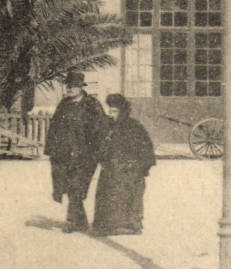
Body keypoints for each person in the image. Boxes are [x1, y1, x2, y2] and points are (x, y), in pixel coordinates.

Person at [44, 70, 105, 232]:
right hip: (65, 154)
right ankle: (81, 222)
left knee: (76, 186)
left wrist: (96, 151)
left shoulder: (92, 105)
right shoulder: (64, 104)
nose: (70, 89)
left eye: (74, 86)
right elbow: (54, 127)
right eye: (68, 86)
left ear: (81, 87)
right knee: (70, 187)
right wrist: (51, 150)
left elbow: (101, 129)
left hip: (85, 155)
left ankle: (72, 221)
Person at [91, 94, 156, 236]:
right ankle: (108, 225)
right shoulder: (108, 127)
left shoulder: (133, 126)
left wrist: (140, 167)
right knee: (108, 196)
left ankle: (130, 225)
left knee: (127, 195)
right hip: (111, 169)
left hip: (129, 170)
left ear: (122, 111)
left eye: (114, 111)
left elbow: (146, 148)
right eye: (110, 111)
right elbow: (100, 146)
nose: (111, 114)